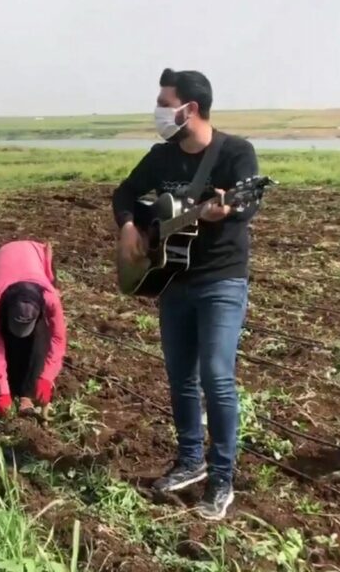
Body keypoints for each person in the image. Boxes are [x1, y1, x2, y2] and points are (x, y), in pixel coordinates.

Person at [111, 68, 260, 521]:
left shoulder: (235, 153)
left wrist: (226, 210)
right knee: (180, 378)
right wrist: (131, 228)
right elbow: (125, 193)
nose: (158, 109)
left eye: (163, 100)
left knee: (216, 375)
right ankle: (190, 460)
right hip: (172, 280)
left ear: (189, 108)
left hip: (221, 280)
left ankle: (221, 479)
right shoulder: (162, 156)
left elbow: (249, 202)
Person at [0, 240, 67, 419]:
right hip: (6, 261)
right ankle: (7, 386)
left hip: (33, 258)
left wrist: (46, 378)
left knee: (39, 333)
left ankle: (26, 393)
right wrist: (2, 391)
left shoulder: (50, 298)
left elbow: (58, 339)